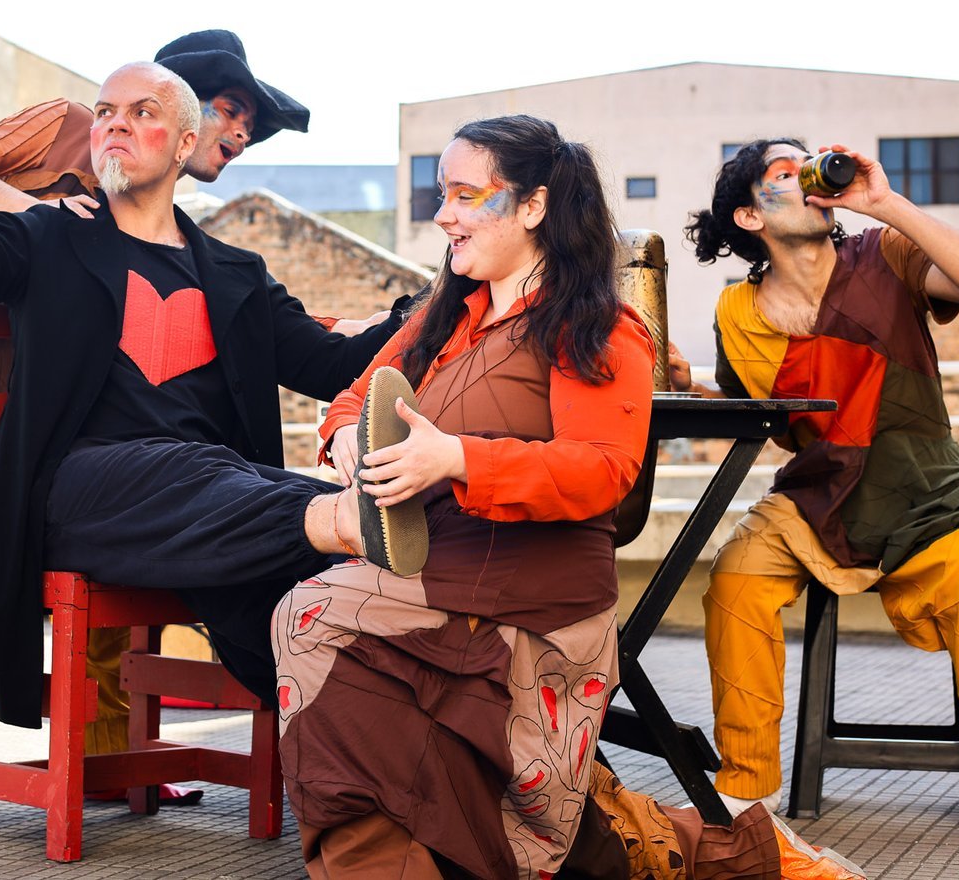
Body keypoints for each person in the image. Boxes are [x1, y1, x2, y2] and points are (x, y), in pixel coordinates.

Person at [272, 116, 861, 879]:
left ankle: (731, 853)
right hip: (434, 578)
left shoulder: (598, 327)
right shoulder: (442, 317)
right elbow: (352, 398)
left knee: (314, 627)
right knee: (316, 639)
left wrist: (453, 458)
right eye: (439, 194)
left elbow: (601, 475)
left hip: (532, 601)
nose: (442, 214)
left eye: (464, 194)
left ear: (532, 206)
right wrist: (349, 436)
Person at [0, 31, 382, 803]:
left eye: (142, 111)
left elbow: (333, 365)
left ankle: (392, 777)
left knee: (310, 606)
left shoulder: (234, 274)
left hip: (211, 516)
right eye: (105, 112)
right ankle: (343, 520)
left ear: (186, 142)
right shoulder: (52, 234)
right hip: (77, 498)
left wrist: (449, 297)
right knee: (208, 470)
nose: (115, 123)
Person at [673, 139, 959, 855]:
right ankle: (748, 786)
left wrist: (886, 203)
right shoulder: (737, 311)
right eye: (785, 173)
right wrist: (691, 383)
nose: (810, 174)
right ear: (751, 216)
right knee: (734, 583)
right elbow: (760, 409)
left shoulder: (886, 253)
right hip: (815, 495)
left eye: (809, 163)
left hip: (926, 488)